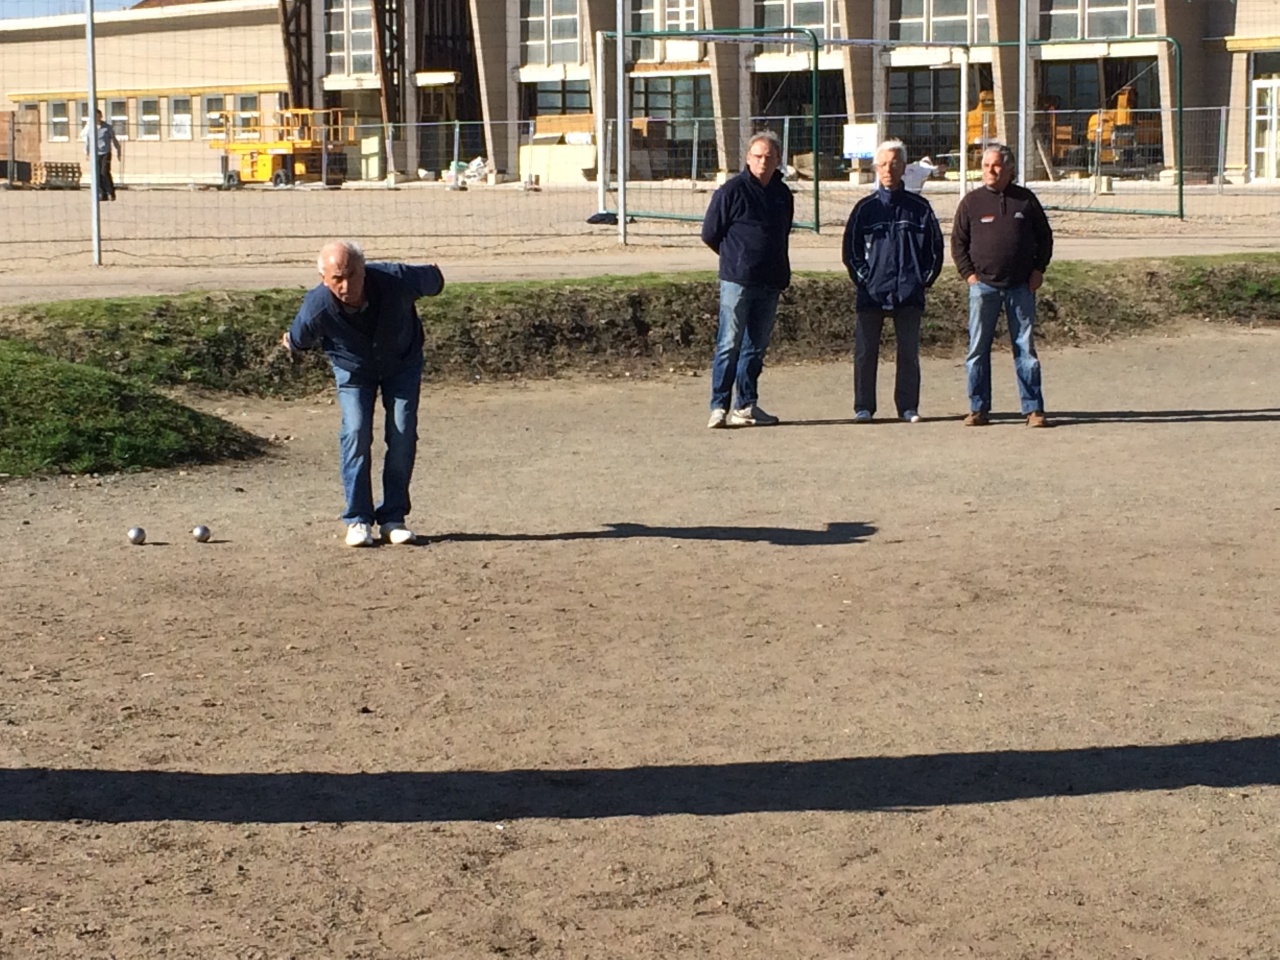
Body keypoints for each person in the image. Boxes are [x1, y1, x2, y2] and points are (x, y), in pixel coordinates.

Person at [282, 240, 445, 547]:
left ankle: (393, 519)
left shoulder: (396, 278)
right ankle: (358, 519)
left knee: (402, 432)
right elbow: (298, 339)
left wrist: (433, 276)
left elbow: (434, 280)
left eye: (352, 275)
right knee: (355, 431)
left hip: (402, 363)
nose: (346, 286)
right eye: (337, 279)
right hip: (354, 371)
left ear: (364, 269)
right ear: (323, 279)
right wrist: (290, 341)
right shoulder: (316, 307)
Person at [951, 143, 1054, 428]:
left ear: (1009, 169)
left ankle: (1033, 409)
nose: (990, 171)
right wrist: (970, 276)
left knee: (1025, 349)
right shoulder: (971, 202)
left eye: (996, 165)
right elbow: (958, 242)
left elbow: (1044, 238)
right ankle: (978, 408)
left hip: (1021, 287)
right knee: (977, 350)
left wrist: (1038, 270)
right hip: (983, 288)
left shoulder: (1026, 200)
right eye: (986, 166)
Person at [842, 139, 944, 424]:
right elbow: (850, 251)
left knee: (908, 353)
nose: (888, 169)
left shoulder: (920, 208)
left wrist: (921, 281)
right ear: (876, 168)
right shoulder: (864, 209)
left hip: (908, 293)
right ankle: (863, 407)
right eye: (883, 164)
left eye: (894, 164)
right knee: (865, 353)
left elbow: (935, 250)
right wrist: (865, 280)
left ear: (904, 168)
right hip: (872, 293)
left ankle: (908, 407)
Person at [700, 129, 794, 428]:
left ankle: (746, 406)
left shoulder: (782, 195)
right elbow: (710, 233)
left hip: (771, 280)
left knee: (755, 348)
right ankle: (719, 406)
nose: (763, 162)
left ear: (778, 159)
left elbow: (783, 233)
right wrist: (736, 258)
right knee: (729, 343)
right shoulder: (731, 191)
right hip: (738, 280)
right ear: (748, 158)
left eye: (769, 157)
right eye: (758, 156)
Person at [83, 109, 122, 201]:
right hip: (95, 154)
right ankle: (102, 194)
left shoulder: (107, 127)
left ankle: (111, 192)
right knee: (97, 173)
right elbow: (88, 140)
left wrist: (118, 150)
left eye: (98, 116)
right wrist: (87, 152)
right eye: (94, 116)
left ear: (101, 116)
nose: (97, 118)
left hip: (105, 153)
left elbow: (114, 139)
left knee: (104, 172)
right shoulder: (90, 128)